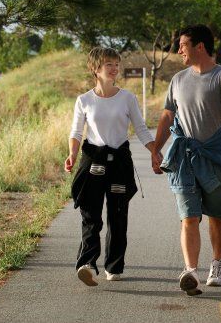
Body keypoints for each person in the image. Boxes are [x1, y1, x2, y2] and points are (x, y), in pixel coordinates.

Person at [151, 24, 221, 296]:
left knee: (218, 214)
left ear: (200, 47)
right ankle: (191, 271)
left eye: (183, 44)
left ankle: (217, 264)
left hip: (214, 154)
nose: (179, 49)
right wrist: (156, 149)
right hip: (185, 157)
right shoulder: (178, 80)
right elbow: (167, 116)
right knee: (189, 215)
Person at [65, 47, 157, 286]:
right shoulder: (84, 100)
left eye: (117, 64)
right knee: (90, 215)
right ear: (96, 68)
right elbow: (76, 132)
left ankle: (114, 266)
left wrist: (155, 152)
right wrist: (72, 155)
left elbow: (141, 129)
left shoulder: (127, 98)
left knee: (118, 216)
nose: (115, 68)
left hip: (119, 163)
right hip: (93, 160)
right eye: (109, 64)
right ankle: (87, 263)